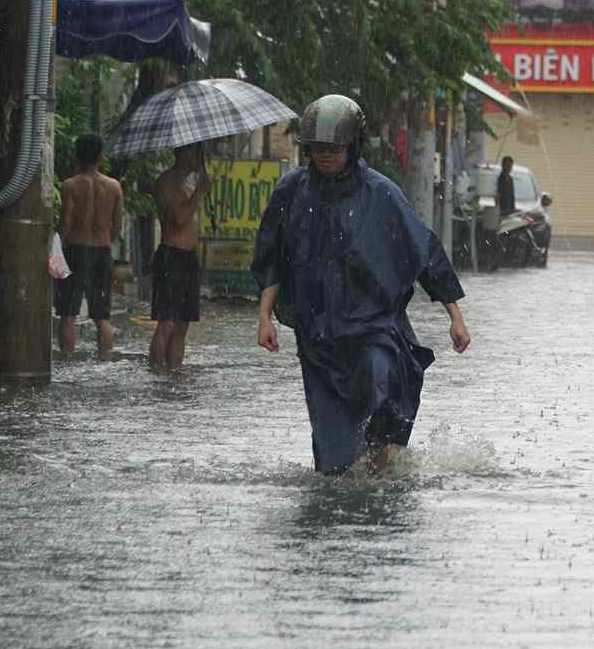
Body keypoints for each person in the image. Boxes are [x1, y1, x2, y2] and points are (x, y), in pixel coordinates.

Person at [252, 94, 472, 475]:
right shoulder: (292, 192)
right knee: (334, 462)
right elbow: (272, 257)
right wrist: (265, 316)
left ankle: (382, 463)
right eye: (318, 149)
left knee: (385, 391)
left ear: (352, 146)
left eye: (334, 149)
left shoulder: (381, 194)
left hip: (374, 328)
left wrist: (455, 316)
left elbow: (424, 251)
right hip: (319, 338)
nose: (325, 156)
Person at [56, 133, 124, 359]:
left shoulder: (70, 186)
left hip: (76, 249)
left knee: (68, 314)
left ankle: (67, 359)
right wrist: (104, 240)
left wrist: (60, 249)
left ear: (78, 156)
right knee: (103, 317)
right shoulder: (114, 187)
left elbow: (66, 223)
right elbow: (117, 226)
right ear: (100, 157)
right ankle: (105, 359)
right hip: (102, 252)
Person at [149, 142, 214, 372]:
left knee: (182, 326)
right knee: (167, 323)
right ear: (184, 153)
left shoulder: (187, 184)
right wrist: (199, 192)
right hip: (171, 258)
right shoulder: (166, 182)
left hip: (188, 259)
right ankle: (156, 373)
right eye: (197, 151)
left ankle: (174, 374)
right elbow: (179, 219)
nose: (201, 156)